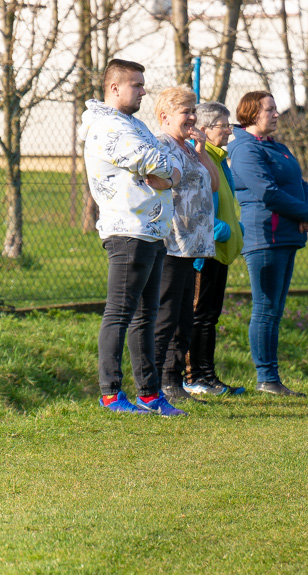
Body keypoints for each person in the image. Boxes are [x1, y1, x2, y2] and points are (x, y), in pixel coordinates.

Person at [78, 58, 184, 415]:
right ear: (114, 88)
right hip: (128, 230)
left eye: (142, 84)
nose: (143, 91)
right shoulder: (109, 127)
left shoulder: (133, 124)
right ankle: (110, 393)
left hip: (151, 230)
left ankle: (150, 395)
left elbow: (171, 162)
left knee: (145, 317)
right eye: (136, 85)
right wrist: (167, 173)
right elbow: (156, 161)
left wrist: (168, 176)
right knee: (120, 313)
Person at [227, 91, 308, 396]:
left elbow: (301, 182)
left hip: (287, 234)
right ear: (252, 114)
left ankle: (273, 378)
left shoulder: (276, 146)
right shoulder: (244, 149)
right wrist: (305, 213)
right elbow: (267, 192)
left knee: (276, 309)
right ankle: (266, 378)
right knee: (265, 308)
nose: (277, 114)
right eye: (270, 109)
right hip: (265, 236)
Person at [151, 87, 218, 406]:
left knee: (185, 317)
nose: (192, 117)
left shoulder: (190, 149)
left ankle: (175, 379)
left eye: (193, 110)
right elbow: (156, 182)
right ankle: (158, 381)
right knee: (168, 314)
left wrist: (202, 149)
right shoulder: (161, 146)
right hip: (171, 243)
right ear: (165, 116)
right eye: (185, 111)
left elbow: (215, 183)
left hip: (193, 245)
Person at [183, 101, 246, 397]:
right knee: (199, 315)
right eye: (224, 125)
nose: (229, 131)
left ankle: (208, 375)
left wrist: (237, 229)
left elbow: (226, 202)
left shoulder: (219, 159)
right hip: (204, 250)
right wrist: (222, 231)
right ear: (204, 130)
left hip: (220, 250)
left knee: (210, 316)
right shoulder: (200, 157)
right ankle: (193, 376)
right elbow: (196, 206)